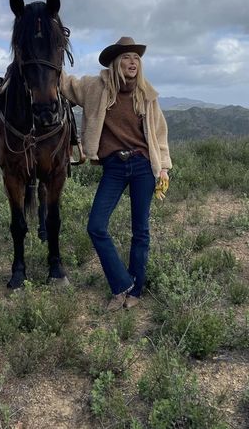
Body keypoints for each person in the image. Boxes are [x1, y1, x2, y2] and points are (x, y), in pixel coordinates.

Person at [61, 36, 172, 310]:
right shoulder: (95, 87)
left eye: (135, 58)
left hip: (143, 166)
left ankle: (136, 289)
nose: (132, 62)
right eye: (126, 57)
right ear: (115, 62)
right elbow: (65, 84)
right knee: (96, 226)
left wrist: (165, 168)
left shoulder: (147, 94)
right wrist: (50, 52)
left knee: (140, 231)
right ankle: (122, 284)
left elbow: (159, 134)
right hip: (114, 166)